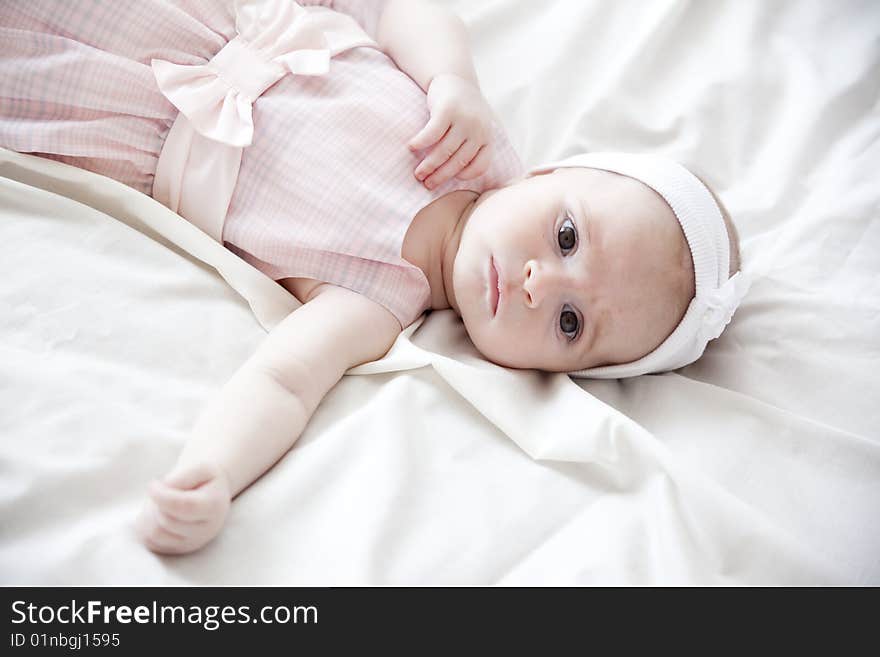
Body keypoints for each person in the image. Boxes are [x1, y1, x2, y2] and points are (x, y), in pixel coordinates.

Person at [0, 0, 749, 554]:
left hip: (117, 107)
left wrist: (215, 471)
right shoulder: (467, 133)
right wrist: (454, 80)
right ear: (549, 172)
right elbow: (401, 10)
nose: (536, 282)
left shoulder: (379, 299)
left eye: (569, 322)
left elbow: (285, 381)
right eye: (565, 237)